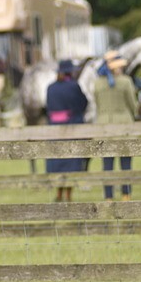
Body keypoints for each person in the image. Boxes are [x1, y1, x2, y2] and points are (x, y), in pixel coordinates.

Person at [92, 51, 138, 200]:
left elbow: (97, 104)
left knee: (107, 165)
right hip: (124, 126)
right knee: (126, 164)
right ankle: (126, 195)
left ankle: (108, 197)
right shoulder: (126, 81)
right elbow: (133, 105)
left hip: (104, 126)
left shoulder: (97, 83)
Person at [45, 60, 88, 202]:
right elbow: (83, 103)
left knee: (57, 160)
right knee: (71, 160)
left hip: (54, 128)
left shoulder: (50, 88)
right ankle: (68, 195)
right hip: (70, 126)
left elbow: (48, 107)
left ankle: (58, 193)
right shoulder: (74, 86)